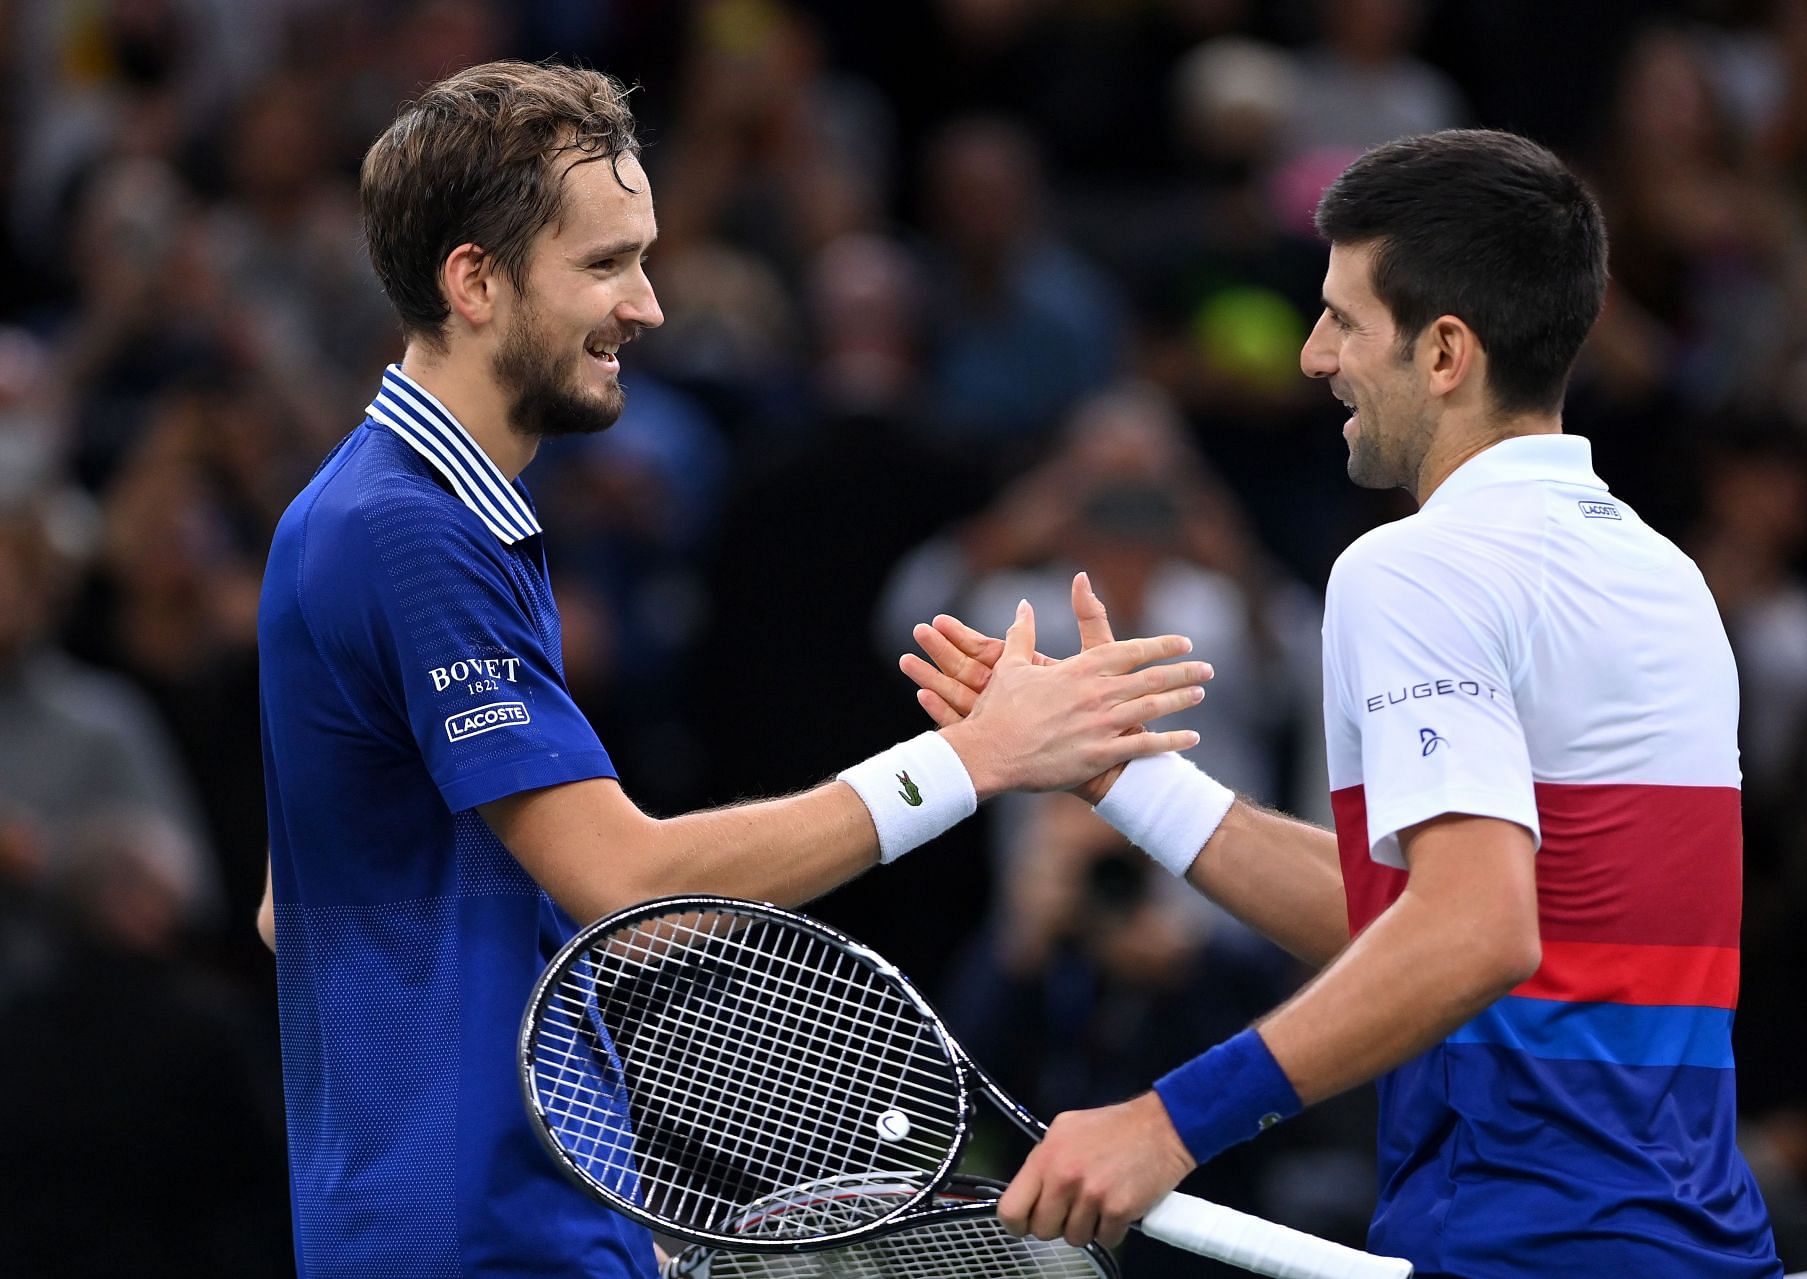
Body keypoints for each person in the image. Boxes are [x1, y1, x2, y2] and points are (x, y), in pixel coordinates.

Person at [254, 61, 1212, 1279]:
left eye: (643, 257)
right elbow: (622, 880)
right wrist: (969, 761)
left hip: (476, 1218)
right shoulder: (411, 530)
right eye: (605, 265)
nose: (648, 306)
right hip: (480, 1240)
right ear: (474, 281)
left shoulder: (362, 509)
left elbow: (305, 899)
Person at [905, 129, 1782, 1277]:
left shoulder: (1412, 567)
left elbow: (1473, 931)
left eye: (1345, 319)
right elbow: (1434, 926)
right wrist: (1122, 776)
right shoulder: (1667, 579)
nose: (1314, 356)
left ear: (1446, 352)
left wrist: (1167, 1121)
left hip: (1514, 1247)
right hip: (1703, 1250)